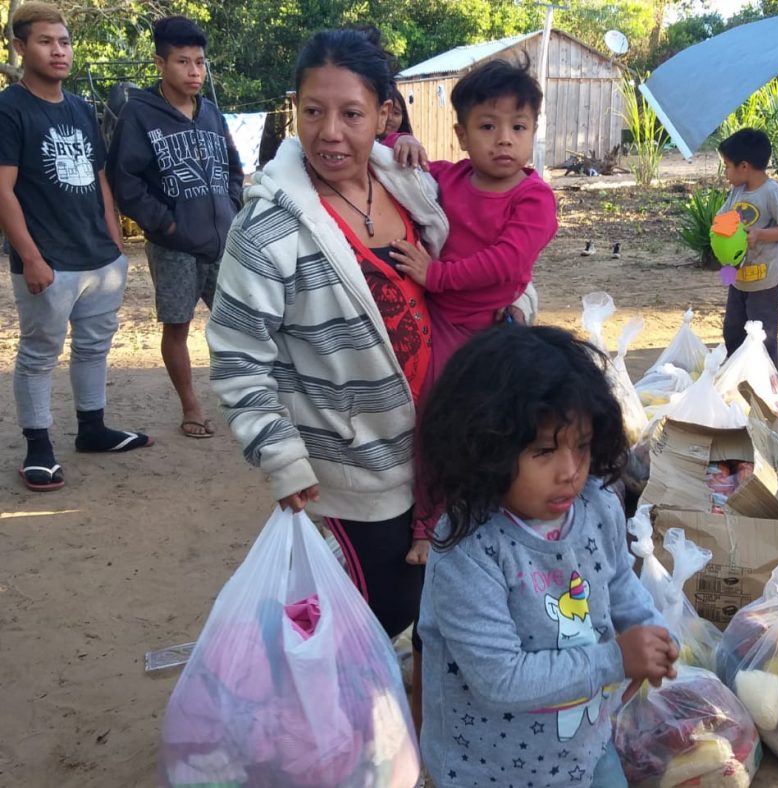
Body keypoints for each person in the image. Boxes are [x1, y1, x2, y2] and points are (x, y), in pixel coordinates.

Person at [205, 27, 448, 720]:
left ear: (384, 116)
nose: (330, 132)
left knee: (429, 607)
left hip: (436, 457)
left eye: (350, 113)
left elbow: (466, 273)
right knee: (357, 626)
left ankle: (408, 730)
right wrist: (279, 456)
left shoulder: (411, 187)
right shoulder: (269, 227)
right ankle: (338, 745)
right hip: (348, 471)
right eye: (313, 111)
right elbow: (237, 353)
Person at [416, 324, 678, 788]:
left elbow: (616, 580)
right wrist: (615, 660)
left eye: (581, 445)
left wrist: (647, 629)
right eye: (543, 451)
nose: (571, 471)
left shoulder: (596, 506)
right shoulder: (469, 548)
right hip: (488, 772)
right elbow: (499, 678)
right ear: (485, 447)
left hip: (584, 748)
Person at [385, 58, 558, 544]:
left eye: (517, 126)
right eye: (488, 126)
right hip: (438, 323)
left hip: (489, 332)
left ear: (532, 131)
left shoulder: (534, 198)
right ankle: (428, 521)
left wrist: (433, 274)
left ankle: (496, 506)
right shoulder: (451, 177)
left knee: (500, 424)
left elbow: (506, 263)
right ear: (461, 134)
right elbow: (398, 169)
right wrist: (402, 143)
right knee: (431, 420)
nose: (504, 138)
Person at [0, 1, 153, 493]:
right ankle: (38, 446)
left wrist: (114, 242)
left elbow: (100, 178)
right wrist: (29, 256)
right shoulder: (9, 108)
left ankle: (92, 429)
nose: (59, 51)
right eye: (46, 42)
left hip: (97, 257)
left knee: (93, 346)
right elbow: (2, 189)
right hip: (48, 258)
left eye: (64, 42)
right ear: (20, 48)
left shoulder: (81, 109)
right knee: (40, 352)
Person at [107, 15, 244, 438]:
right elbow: (123, 180)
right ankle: (190, 407)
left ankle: (244, 403)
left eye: (200, 63)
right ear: (160, 63)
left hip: (222, 243)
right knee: (178, 326)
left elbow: (234, 168)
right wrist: (163, 224)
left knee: (241, 324)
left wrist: (234, 206)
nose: (194, 72)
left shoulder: (212, 115)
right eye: (183, 62)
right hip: (174, 246)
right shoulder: (139, 115)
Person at [716, 127, 778, 367]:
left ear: (744, 166)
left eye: (727, 166)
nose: (726, 173)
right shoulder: (737, 192)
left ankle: (766, 381)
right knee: (733, 329)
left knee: (762, 334)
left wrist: (760, 234)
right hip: (739, 276)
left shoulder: (773, 193)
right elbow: (721, 219)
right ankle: (736, 373)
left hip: (765, 277)